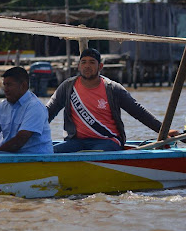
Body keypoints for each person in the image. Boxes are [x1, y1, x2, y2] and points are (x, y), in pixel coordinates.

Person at [47, 48, 179, 153]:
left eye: (92, 62)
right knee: (51, 152)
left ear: (100, 66)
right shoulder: (67, 87)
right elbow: (48, 112)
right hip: (76, 141)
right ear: (78, 66)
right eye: (84, 62)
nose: (87, 66)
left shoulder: (112, 88)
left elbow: (138, 112)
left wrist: (163, 131)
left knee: (96, 154)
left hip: (107, 141)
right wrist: (29, 131)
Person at [0, 67, 53, 154]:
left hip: (35, 159)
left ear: (23, 86)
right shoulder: (3, 106)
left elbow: (20, 140)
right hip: (10, 157)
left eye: (9, 85)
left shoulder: (35, 106)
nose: (5, 89)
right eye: (4, 85)